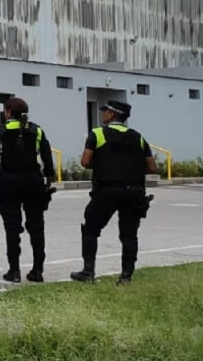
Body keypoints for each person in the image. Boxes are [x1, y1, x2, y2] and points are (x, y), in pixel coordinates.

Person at [71, 100, 156, 285]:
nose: (103, 114)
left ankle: (88, 272)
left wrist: (105, 165)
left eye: (105, 111)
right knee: (129, 234)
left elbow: (85, 162)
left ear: (111, 115)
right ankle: (126, 277)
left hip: (107, 190)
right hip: (134, 191)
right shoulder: (137, 137)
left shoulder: (98, 133)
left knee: (91, 229)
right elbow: (152, 166)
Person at [0, 97, 55, 283]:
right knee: (36, 226)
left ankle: (14, 271)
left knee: (12, 226)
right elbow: (48, 158)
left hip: (9, 180)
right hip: (34, 180)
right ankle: (38, 271)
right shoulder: (36, 130)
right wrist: (48, 178)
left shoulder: (0, 130)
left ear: (8, 112)